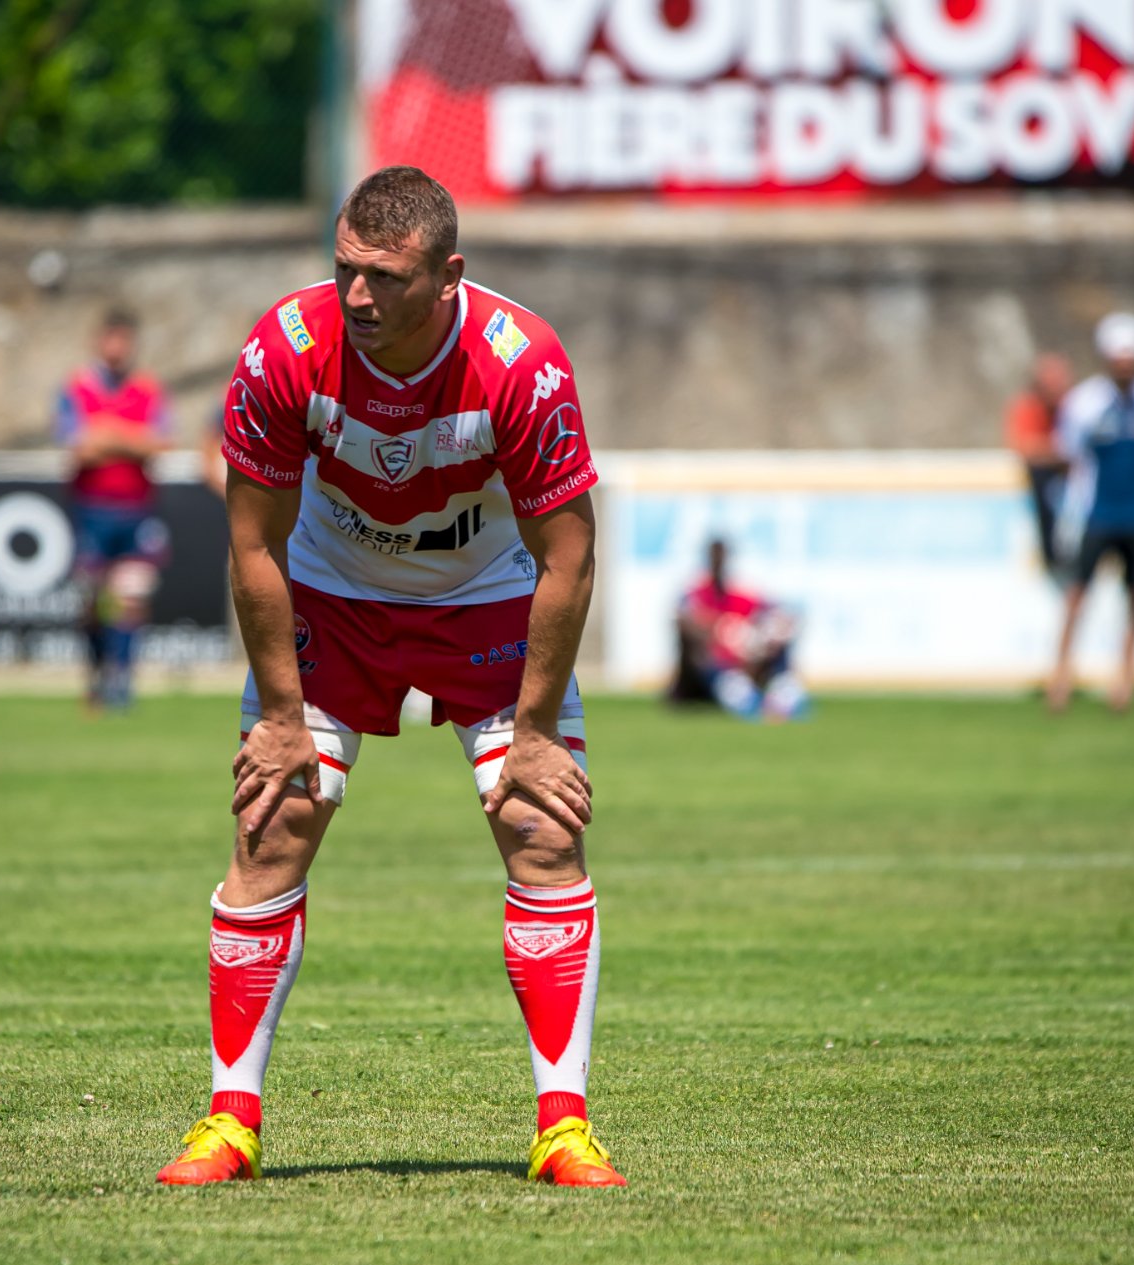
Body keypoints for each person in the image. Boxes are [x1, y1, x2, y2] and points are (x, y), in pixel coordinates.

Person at [154, 166, 624, 1188]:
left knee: (540, 827)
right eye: (343, 270)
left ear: (448, 276)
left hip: (487, 604)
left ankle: (563, 1129)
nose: (356, 297)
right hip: (330, 597)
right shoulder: (286, 347)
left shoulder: (521, 365)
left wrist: (535, 730)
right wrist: (281, 714)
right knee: (271, 821)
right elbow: (250, 544)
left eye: (384, 278)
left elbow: (569, 556)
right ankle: (228, 1122)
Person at [1047, 313, 1134, 714]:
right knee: (1077, 595)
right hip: (1097, 514)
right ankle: (1061, 676)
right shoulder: (1086, 402)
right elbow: (1068, 452)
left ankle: (1125, 681)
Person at [55, 307, 173, 710]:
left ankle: (122, 681)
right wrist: (129, 440)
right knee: (91, 599)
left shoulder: (148, 389)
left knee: (131, 595)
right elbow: (78, 447)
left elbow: (158, 444)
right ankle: (95, 675)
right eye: (111, 339)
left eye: (124, 340)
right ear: (99, 341)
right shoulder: (76, 388)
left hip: (136, 509)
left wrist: (107, 434)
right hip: (92, 508)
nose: (117, 348)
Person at [673, 538, 807, 722]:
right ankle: (743, 696)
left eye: (722, 557)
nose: (719, 562)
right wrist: (718, 629)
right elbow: (682, 619)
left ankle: (783, 692)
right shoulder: (696, 594)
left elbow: (782, 615)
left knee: (777, 636)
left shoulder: (741, 595)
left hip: (748, 659)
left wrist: (759, 636)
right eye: (715, 557)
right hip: (714, 668)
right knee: (706, 657)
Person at [1004, 352, 1075, 580]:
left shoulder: (1074, 404)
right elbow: (1025, 447)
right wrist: (1059, 452)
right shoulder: (1027, 406)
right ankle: (1052, 560)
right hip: (1044, 476)